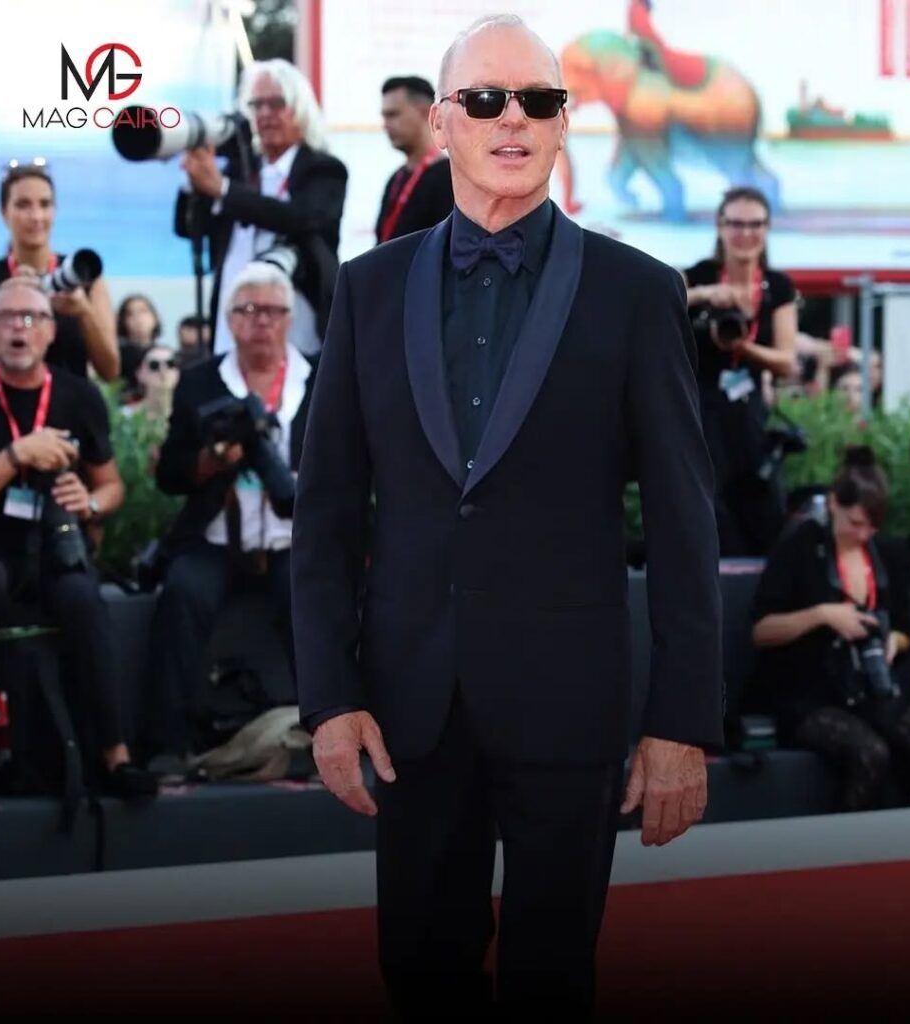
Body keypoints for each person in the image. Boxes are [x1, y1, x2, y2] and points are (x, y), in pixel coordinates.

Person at [291, 14, 722, 1021]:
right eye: (486, 100)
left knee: (552, 983)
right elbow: (324, 513)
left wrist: (680, 721)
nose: (513, 119)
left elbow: (683, 521)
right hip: (411, 709)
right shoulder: (368, 289)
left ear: (566, 122)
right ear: (443, 122)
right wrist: (328, 698)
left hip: (571, 702)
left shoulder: (637, 293)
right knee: (419, 975)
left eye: (538, 99)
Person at [0, 278, 156, 799]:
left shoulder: (78, 395)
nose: (19, 329)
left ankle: (115, 753)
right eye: (6, 318)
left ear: (51, 332)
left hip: (56, 543)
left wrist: (90, 502)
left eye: (32, 318)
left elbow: (112, 486)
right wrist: (16, 455)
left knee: (83, 597)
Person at [141, 263, 314, 765]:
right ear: (231, 320)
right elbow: (170, 475)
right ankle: (166, 746)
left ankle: (329, 734)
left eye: (274, 311)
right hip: (216, 536)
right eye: (250, 310)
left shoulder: (319, 375)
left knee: (314, 597)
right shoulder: (200, 381)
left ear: (289, 321)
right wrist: (211, 461)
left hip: (292, 536)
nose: (262, 321)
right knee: (182, 592)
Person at [751, 447, 910, 811]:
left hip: (872, 689)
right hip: (808, 693)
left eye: (871, 526)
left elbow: (908, 626)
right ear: (834, 504)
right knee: (870, 754)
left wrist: (894, 640)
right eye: (855, 523)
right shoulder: (801, 547)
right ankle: (851, 842)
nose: (863, 534)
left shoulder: (885, 553)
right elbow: (762, 630)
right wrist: (822, 615)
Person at [175, 58, 348, 358]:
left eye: (276, 104)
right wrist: (192, 180)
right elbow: (186, 228)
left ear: (300, 109)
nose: (265, 114)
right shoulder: (240, 170)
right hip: (233, 309)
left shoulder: (323, 169)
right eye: (256, 105)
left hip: (298, 314)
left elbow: (299, 217)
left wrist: (223, 191)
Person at [684, 186, 798, 556]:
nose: (745, 233)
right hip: (700, 408)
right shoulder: (700, 274)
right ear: (720, 227)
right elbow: (660, 300)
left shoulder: (777, 286)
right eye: (735, 224)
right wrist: (706, 295)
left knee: (759, 505)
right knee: (706, 504)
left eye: (754, 225)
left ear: (766, 229)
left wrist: (741, 347)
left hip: (750, 411)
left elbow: (786, 360)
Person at [0, 162, 119, 381]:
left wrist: (84, 313)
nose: (36, 216)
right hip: (3, 398)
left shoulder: (82, 273)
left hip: (71, 398)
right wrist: (19, 309)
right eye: (23, 205)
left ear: (54, 210)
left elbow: (110, 370)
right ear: (4, 212)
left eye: (45, 204)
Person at [375, 76, 454, 242]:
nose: (386, 124)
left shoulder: (449, 178)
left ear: (426, 113)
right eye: (384, 116)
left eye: (393, 115)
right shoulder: (396, 178)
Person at [116, 293, 162, 397]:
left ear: (155, 317)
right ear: (123, 321)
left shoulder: (165, 354)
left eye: (143, 311)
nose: (138, 318)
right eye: (130, 314)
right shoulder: (117, 355)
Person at [123, 344, 180, 422]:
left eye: (170, 364)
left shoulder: (189, 415)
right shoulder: (125, 416)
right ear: (139, 373)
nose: (163, 370)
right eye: (154, 365)